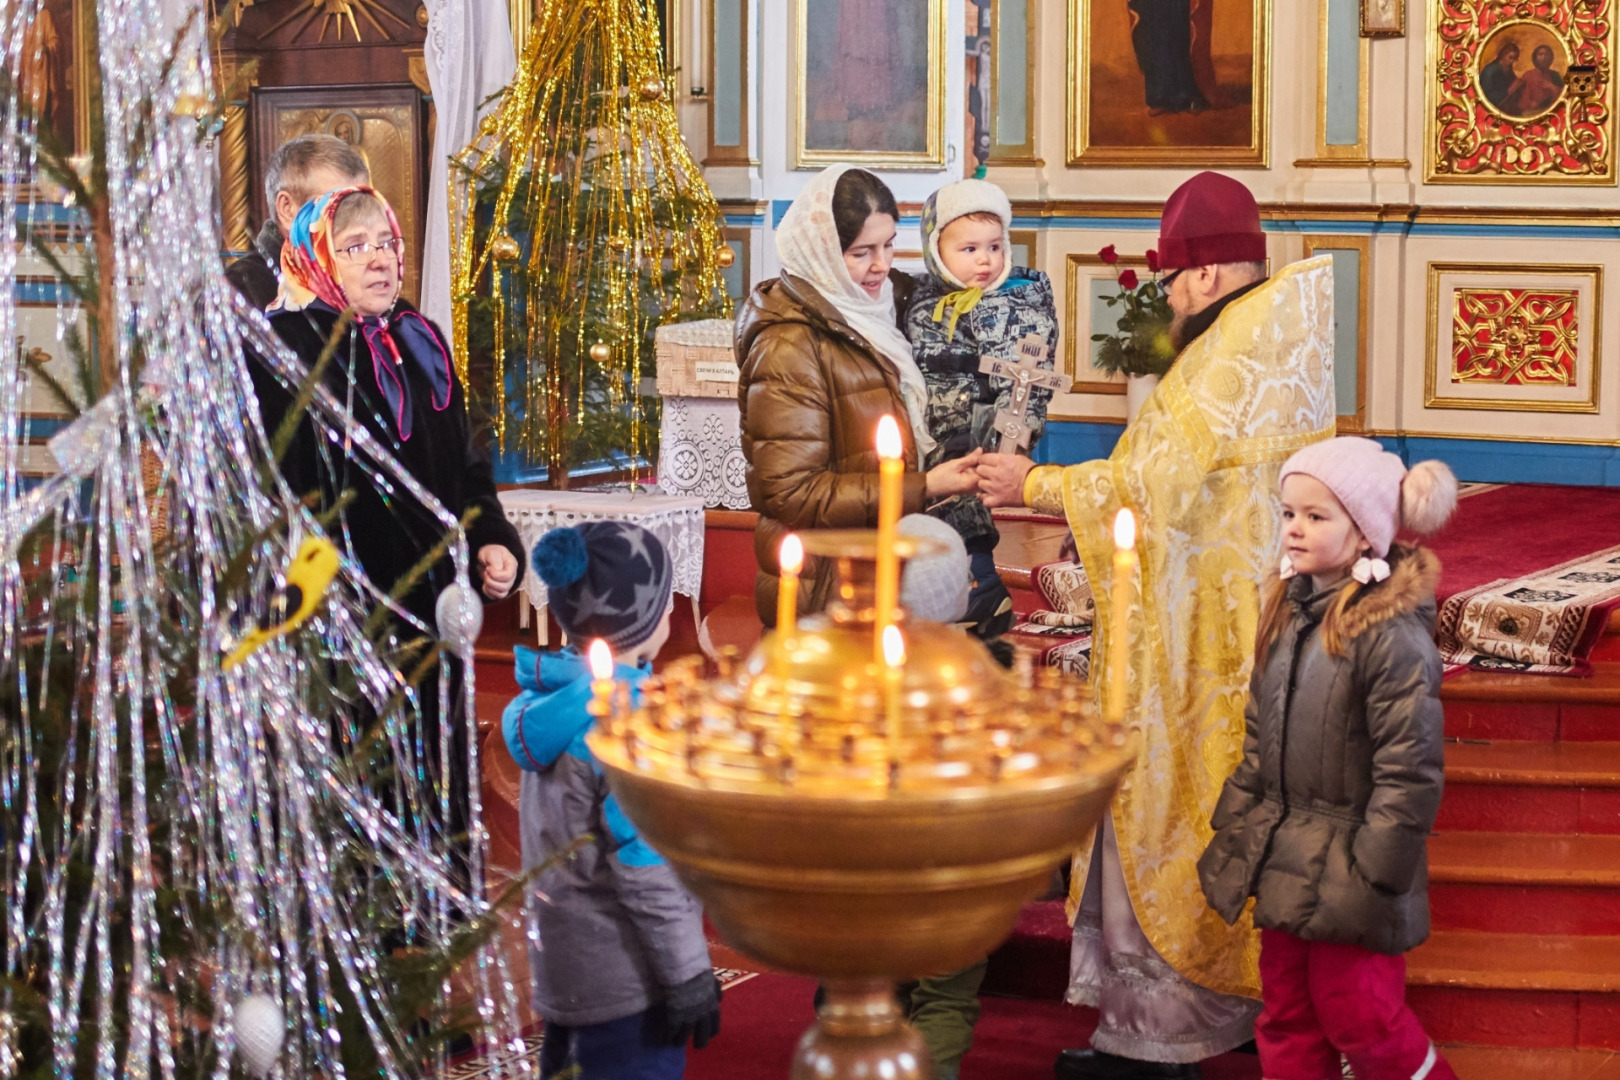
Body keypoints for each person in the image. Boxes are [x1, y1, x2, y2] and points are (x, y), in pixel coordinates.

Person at [977, 172, 1336, 1080]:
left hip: (1192, 637)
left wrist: (1035, 486)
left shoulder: (1219, 358)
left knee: (1167, 806)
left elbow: (1146, 490)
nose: (1168, 297)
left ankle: (1158, 1031)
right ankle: (1245, 1003)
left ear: (1209, 275)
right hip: (1243, 618)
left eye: (1172, 279)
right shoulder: (1276, 334)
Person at [246, 186, 524, 886]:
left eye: (387, 244)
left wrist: (491, 539)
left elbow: (466, 469)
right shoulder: (283, 352)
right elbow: (277, 493)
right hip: (342, 621)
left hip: (431, 615)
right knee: (364, 795)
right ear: (315, 259)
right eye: (355, 247)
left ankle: (437, 925)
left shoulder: (419, 339)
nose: (379, 260)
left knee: (435, 777)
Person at [1198, 438, 1460, 1080]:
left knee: (1364, 1019)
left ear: (1364, 530)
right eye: (1289, 513)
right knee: (1286, 1016)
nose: (1295, 529)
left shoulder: (1391, 639)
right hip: (1285, 853)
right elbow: (1260, 736)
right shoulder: (1287, 614)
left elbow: (1411, 771)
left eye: (1318, 517)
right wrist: (1239, 824)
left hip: (1353, 866)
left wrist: (1377, 870)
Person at [507, 521, 720, 1079]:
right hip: (630, 981)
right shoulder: (622, 725)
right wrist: (689, 973)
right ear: (646, 622)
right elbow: (644, 866)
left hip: (567, 971)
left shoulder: (555, 701)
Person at [735, 165, 982, 627]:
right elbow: (790, 492)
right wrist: (926, 486)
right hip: (828, 582)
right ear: (822, 252)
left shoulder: (888, 306)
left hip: (885, 557)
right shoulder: (788, 346)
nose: (882, 265)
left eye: (889, 244)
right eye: (860, 252)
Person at [904, 178, 1058, 640]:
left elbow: (1030, 362)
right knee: (938, 507)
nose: (985, 260)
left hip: (992, 425)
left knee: (968, 500)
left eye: (994, 246)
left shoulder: (1018, 300)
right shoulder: (923, 302)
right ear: (937, 251)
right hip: (933, 427)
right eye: (969, 249)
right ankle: (950, 588)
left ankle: (981, 582)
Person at [226, 134, 371, 309]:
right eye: (337, 207)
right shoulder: (240, 290)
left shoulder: (363, 275)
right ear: (287, 209)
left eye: (361, 207)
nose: (356, 223)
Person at [1500, 43, 1564, 116]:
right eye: (1540, 54)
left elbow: (1563, 97)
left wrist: (1552, 87)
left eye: (1547, 54)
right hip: (1531, 112)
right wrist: (1531, 104)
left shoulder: (1555, 75)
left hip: (1552, 112)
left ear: (1551, 58)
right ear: (1535, 57)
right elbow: (1522, 99)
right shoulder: (1528, 75)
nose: (1544, 57)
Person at [1479, 39, 1520, 110]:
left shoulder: (1508, 69)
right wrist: (1508, 91)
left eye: (1514, 59)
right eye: (1510, 57)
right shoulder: (1490, 70)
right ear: (1503, 55)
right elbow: (1486, 95)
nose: (1512, 61)